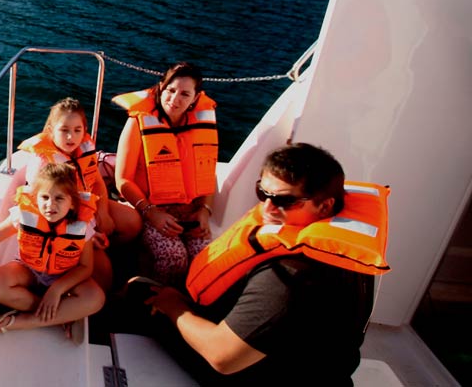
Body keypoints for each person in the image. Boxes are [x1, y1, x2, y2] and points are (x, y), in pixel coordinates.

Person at [145, 143, 389, 385]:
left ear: (325, 205)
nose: (267, 207)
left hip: (253, 374)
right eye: (263, 193)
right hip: (316, 369)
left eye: (285, 200)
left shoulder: (290, 276)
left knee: (141, 292)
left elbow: (222, 357)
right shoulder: (344, 251)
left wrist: (174, 306)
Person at [0, 162, 106, 342]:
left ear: (73, 204)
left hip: (64, 276)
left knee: (95, 298)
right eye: (45, 197)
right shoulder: (23, 215)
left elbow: (85, 267)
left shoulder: (82, 226)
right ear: (36, 198)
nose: (50, 204)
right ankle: (62, 315)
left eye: (59, 198)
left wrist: (56, 290)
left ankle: (26, 321)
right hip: (29, 270)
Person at [15, 97, 142, 290]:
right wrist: (89, 234)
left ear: (84, 130)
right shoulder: (43, 164)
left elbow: (97, 182)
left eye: (77, 130)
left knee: (133, 222)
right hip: (64, 221)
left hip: (87, 206)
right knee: (104, 273)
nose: (70, 137)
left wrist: (103, 213)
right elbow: (46, 210)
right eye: (64, 130)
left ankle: (106, 248)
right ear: (50, 130)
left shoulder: (82, 150)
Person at [113, 61, 218, 285]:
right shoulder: (138, 122)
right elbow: (122, 180)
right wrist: (151, 213)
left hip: (190, 212)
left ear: (195, 98)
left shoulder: (202, 124)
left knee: (205, 259)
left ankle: (189, 300)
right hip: (149, 209)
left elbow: (207, 173)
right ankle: (157, 298)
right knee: (174, 259)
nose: (175, 99)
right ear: (161, 88)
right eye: (171, 90)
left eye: (185, 94)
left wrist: (205, 210)